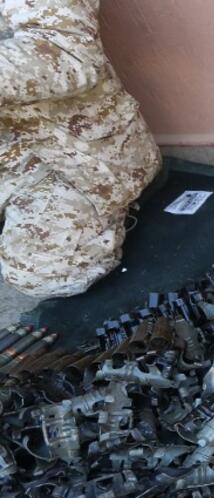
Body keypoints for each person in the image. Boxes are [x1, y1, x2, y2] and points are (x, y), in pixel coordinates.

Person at [0, 0, 161, 298]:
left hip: (68, 157)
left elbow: (67, 51)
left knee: (39, 272)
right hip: (6, 155)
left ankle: (104, 215)